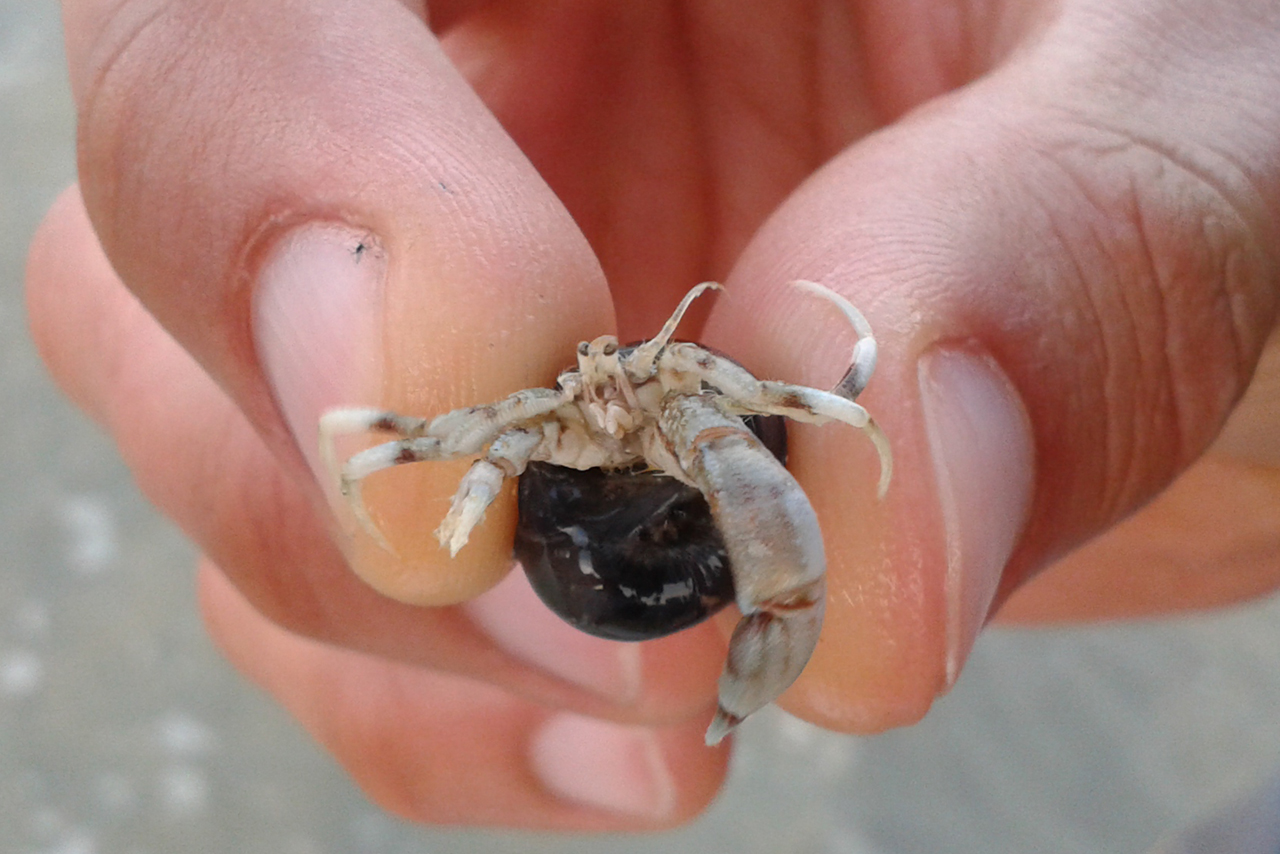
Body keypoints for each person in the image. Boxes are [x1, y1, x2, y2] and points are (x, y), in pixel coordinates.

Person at [26, 0, 1280, 831]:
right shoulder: (571, 406)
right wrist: (388, 464)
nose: (616, 383)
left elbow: (801, 409)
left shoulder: (688, 403)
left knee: (768, 516)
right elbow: (465, 444)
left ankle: (738, 682)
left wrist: (865, 396)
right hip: (608, 514)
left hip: (684, 487)